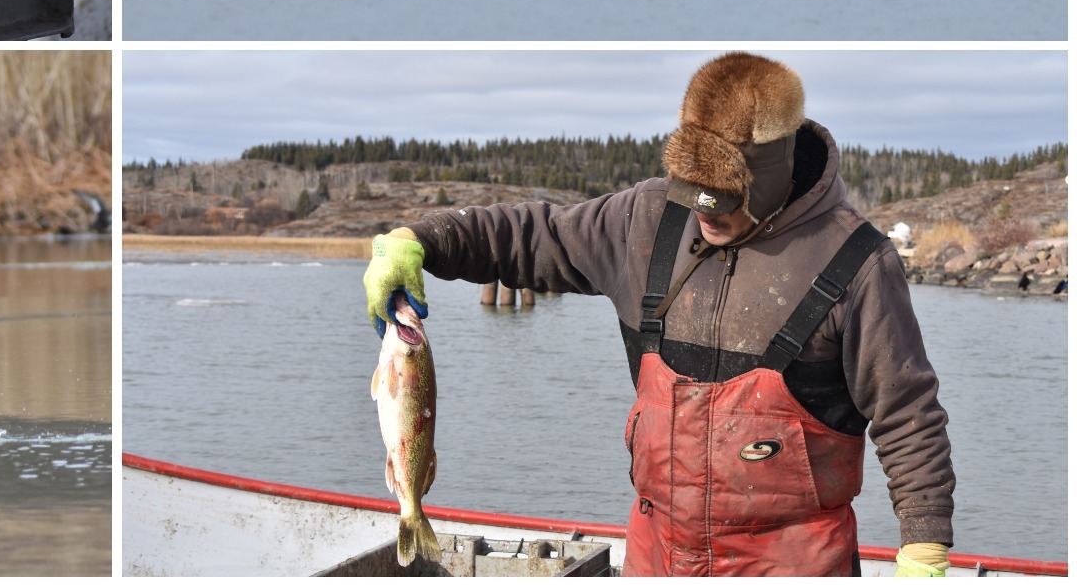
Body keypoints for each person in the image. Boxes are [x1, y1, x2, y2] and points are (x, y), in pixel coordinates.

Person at [363, 52, 954, 577]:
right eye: (693, 196)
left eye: (722, 205)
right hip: (657, 554)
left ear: (771, 177)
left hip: (793, 560)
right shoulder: (647, 219)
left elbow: (908, 415)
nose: (705, 217)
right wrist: (419, 241)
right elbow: (534, 236)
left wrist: (923, 549)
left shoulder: (858, 261)